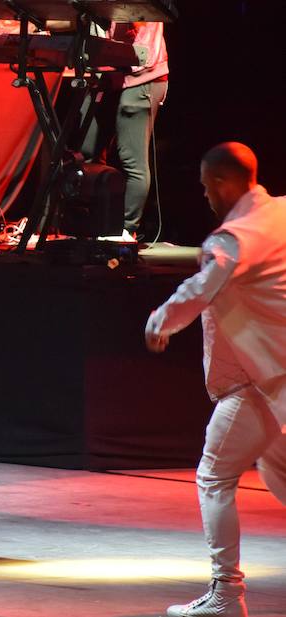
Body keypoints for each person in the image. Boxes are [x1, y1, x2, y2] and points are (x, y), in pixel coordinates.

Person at [145, 142, 286, 617]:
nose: (205, 196)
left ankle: (226, 593)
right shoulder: (282, 214)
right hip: (275, 374)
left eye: (207, 187)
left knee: (214, 475)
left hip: (262, 378)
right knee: (277, 470)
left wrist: (161, 321)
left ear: (224, 183)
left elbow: (200, 289)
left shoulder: (233, 239)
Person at [81, 21, 169, 240]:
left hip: (142, 75)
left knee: (132, 159)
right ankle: (95, 224)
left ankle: (126, 230)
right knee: (87, 152)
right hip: (107, 76)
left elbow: (129, 23)